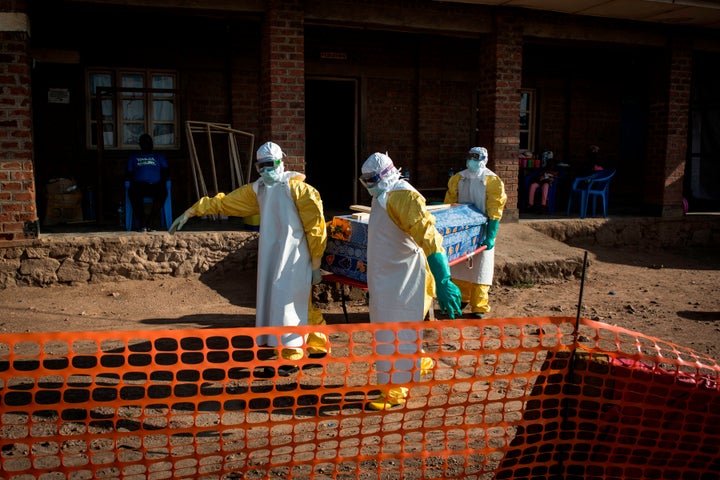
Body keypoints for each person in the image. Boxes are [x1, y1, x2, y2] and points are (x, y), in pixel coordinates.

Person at [168, 141, 329, 370]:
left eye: (269, 165)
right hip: (273, 256)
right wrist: (193, 211)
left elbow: (316, 227)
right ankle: (317, 345)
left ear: (281, 162)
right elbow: (225, 203)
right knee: (295, 301)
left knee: (288, 302)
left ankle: (291, 353)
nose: (265, 170)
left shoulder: (300, 190)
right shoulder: (258, 190)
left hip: (296, 258)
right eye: (260, 166)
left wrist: (315, 262)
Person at [359, 152, 463, 410]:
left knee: (395, 332)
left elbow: (430, 238)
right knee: (389, 331)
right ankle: (416, 363)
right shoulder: (382, 196)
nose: (369, 184)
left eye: (372, 179)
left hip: (402, 280)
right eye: (366, 180)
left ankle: (395, 389)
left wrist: (443, 279)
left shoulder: (404, 197)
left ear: (385, 175)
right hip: (386, 278)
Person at [444, 146, 507, 318]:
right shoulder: (458, 178)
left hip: (483, 229)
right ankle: (462, 298)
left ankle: (479, 304)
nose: (472, 160)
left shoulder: (492, 181)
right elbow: (451, 203)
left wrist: (491, 234)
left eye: (476, 157)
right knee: (459, 265)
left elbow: (495, 207)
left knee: (481, 267)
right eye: (470, 156)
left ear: (484, 159)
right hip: (461, 228)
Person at [126, 133, 170, 232]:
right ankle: (142, 222)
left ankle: (151, 222)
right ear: (140, 144)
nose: (146, 144)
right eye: (144, 143)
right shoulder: (133, 157)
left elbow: (166, 172)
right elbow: (129, 173)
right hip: (139, 185)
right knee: (133, 193)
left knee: (162, 193)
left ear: (152, 144)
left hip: (155, 184)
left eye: (148, 142)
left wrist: (161, 181)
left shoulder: (158, 156)